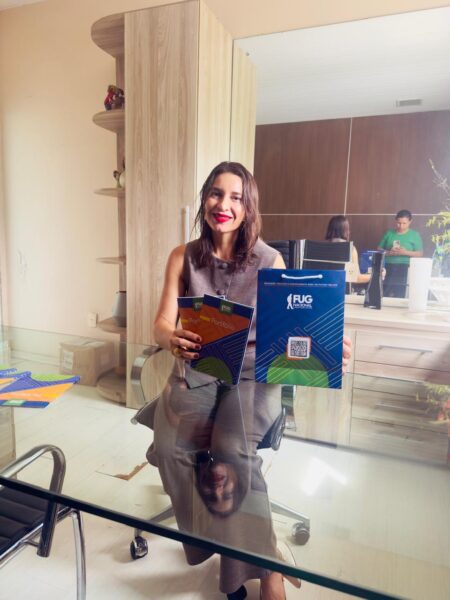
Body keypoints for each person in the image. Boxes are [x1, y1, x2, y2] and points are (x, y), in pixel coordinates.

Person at [143, 161, 352, 600]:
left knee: (230, 451)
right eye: (216, 193)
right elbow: (161, 323)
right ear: (205, 199)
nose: (224, 204)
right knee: (169, 448)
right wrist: (170, 337)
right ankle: (229, 543)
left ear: (248, 207)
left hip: (254, 374)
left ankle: (265, 567)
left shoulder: (270, 260)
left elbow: (295, 330)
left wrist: (329, 346)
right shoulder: (183, 257)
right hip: (200, 369)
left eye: (236, 197)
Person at [377, 209, 423, 298]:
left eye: (404, 223)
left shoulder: (415, 235)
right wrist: (389, 252)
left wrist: (405, 252)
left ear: (410, 222)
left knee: (400, 293)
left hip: (405, 267)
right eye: (399, 223)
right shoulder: (389, 233)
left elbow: (420, 254)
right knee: (384, 292)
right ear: (396, 221)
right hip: (388, 265)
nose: (401, 226)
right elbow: (379, 249)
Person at [325, 215, 371, 285]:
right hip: (340, 290)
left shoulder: (319, 247)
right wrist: (376, 276)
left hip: (319, 289)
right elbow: (355, 278)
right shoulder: (350, 249)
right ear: (345, 231)